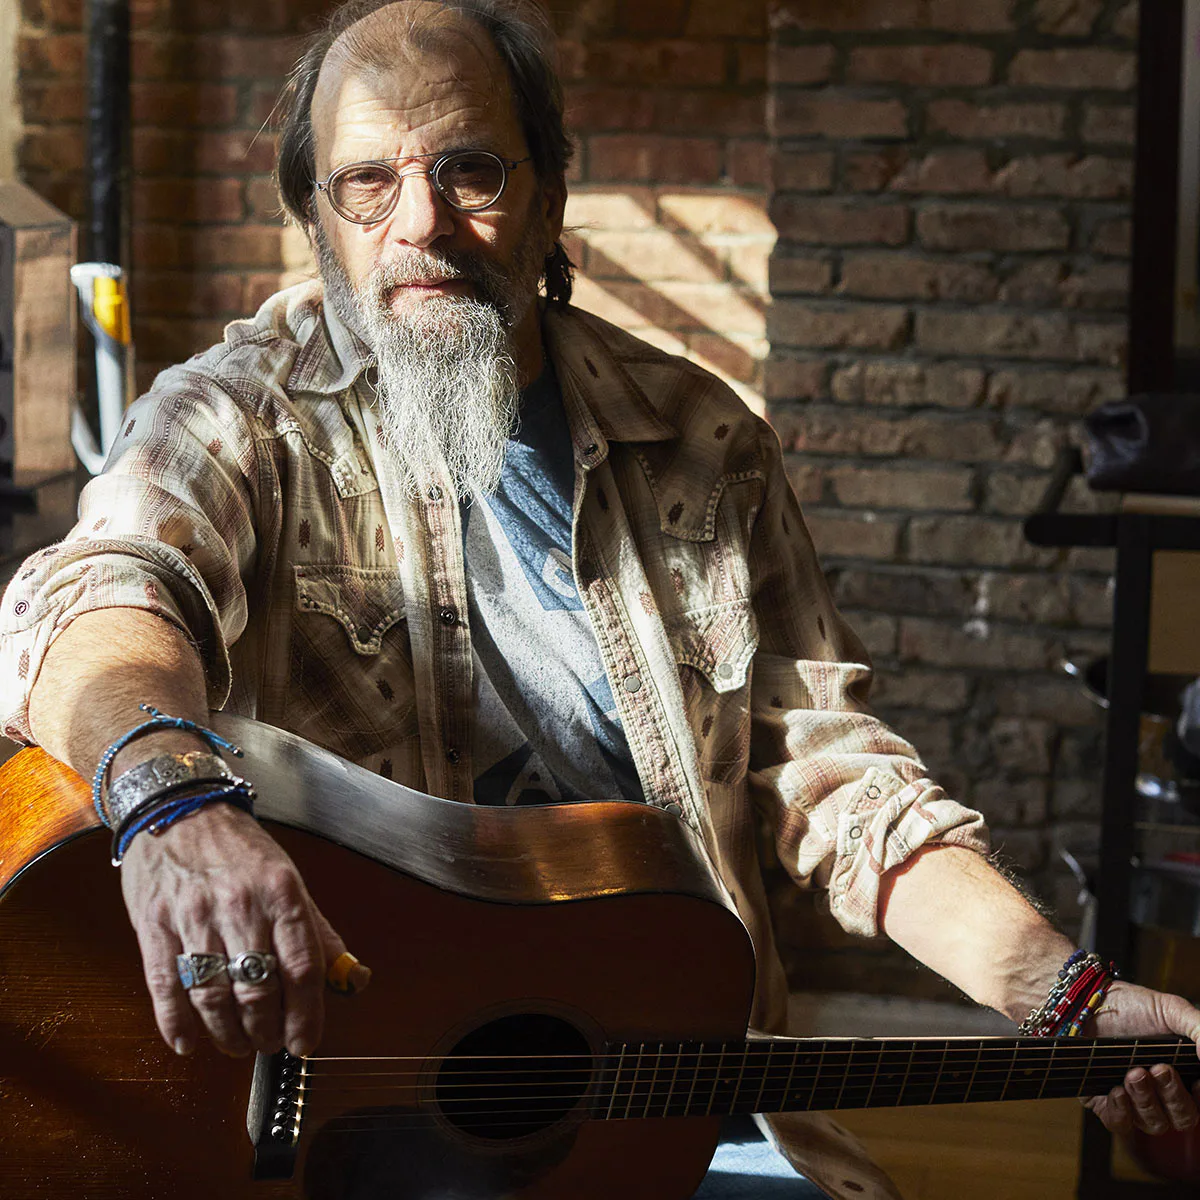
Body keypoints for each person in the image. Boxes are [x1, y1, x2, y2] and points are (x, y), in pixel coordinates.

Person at [1, 2, 1197, 1197]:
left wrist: (1063, 994)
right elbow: (101, 599)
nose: (421, 223)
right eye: (367, 183)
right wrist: (173, 806)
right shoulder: (235, 419)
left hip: (656, 1109)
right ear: (316, 218)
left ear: (549, 194)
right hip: (323, 1137)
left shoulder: (705, 443)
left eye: (469, 170)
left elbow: (839, 786)